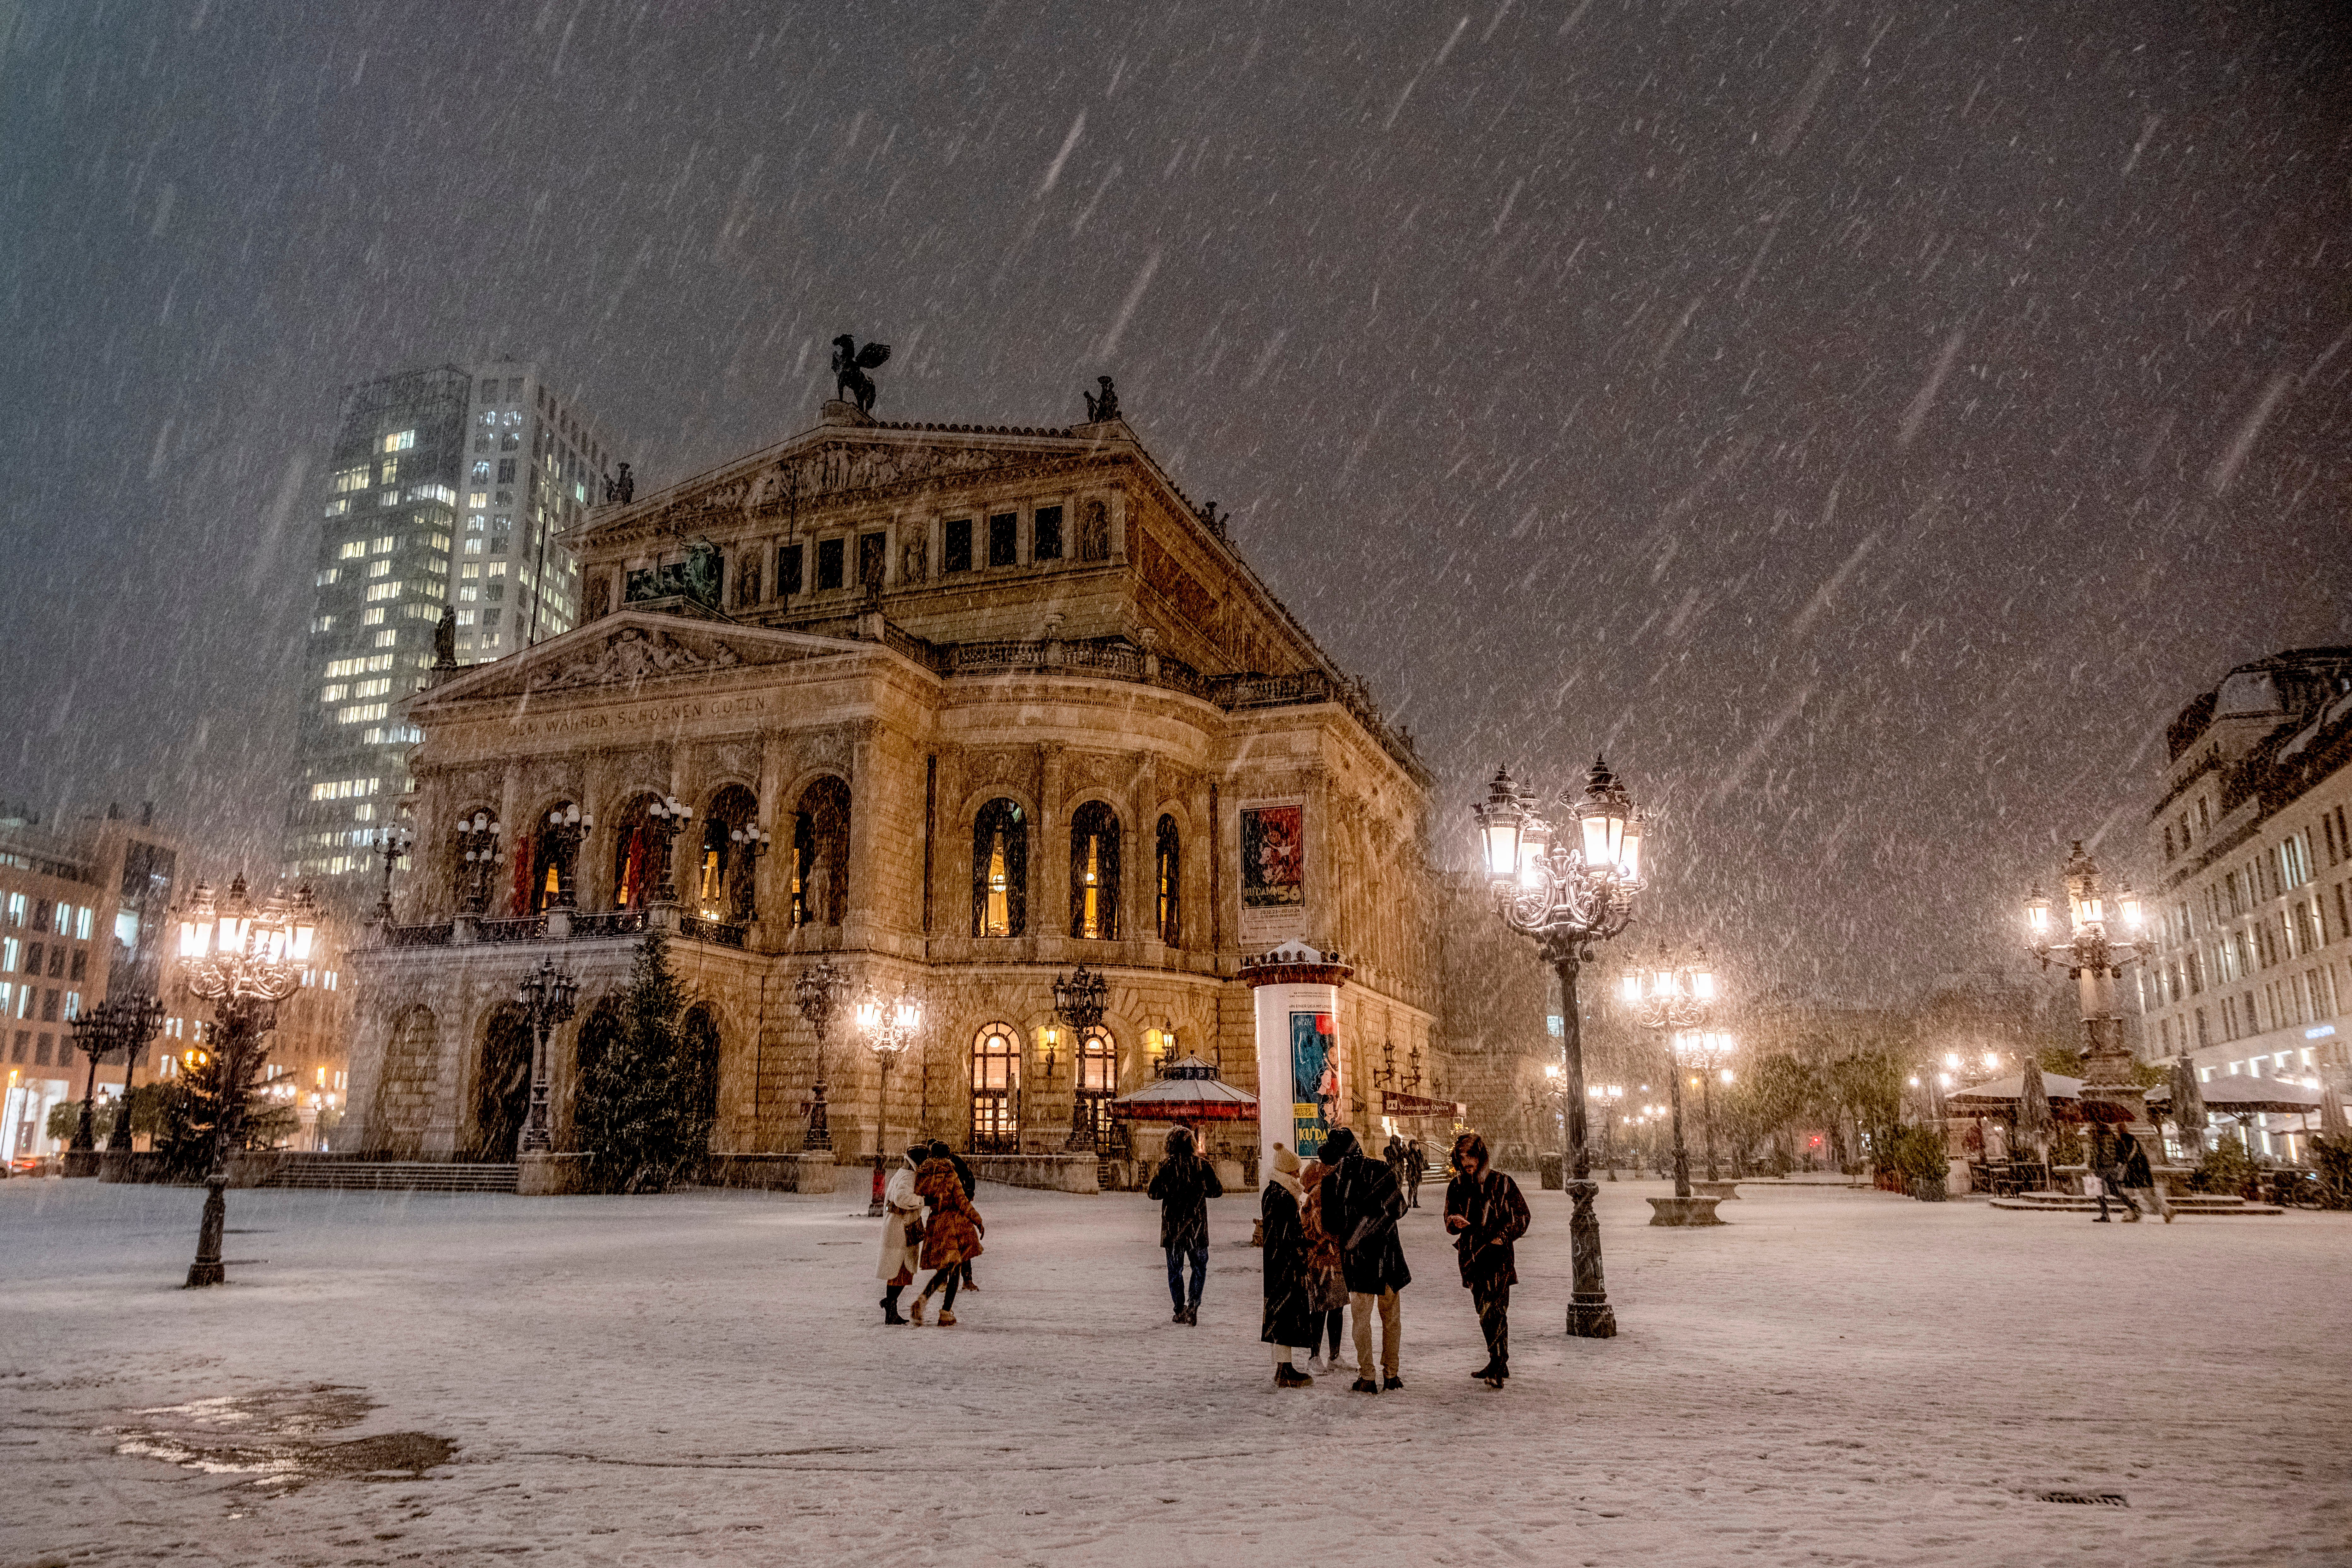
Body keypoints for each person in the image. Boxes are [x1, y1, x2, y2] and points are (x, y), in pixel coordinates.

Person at [1320, 1126, 1410, 1393]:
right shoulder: (1381, 1169)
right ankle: (1392, 1374)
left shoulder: (1332, 1180)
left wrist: (1357, 1227)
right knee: (1391, 1318)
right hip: (1388, 1256)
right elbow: (1399, 1209)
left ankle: (1367, 1376)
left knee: (1361, 1320)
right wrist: (1378, 1221)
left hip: (1358, 1258)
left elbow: (1331, 1225)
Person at [1444, 1131, 1530, 1388]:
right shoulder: (1457, 1186)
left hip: (1497, 1257)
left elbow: (1521, 1217)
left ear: (1481, 1158)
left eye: (1470, 1157)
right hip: (1472, 1257)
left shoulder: (1501, 1183)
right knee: (1483, 1311)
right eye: (1461, 1158)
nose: (1466, 1163)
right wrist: (1453, 1223)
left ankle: (1498, 1363)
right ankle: (1497, 1359)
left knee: (1497, 1310)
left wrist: (1499, 1238)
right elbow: (1449, 1217)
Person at [1148, 1126, 1222, 1324]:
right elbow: (1217, 1191)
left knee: (1175, 1271)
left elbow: (1153, 1194)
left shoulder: (1165, 1166)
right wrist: (1198, 1190)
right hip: (1196, 1226)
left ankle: (1180, 1309)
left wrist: (1172, 1190)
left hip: (1174, 1228)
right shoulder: (1202, 1165)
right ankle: (1193, 1305)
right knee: (1199, 1268)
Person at [1261, 1145, 1317, 1387]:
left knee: (1279, 1315)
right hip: (1285, 1264)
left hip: (1276, 1261)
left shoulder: (1273, 1192)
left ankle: (1283, 1367)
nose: (1298, 1176)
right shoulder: (1284, 1196)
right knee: (1285, 1315)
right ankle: (1284, 1370)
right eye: (1296, 1171)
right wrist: (1302, 1251)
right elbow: (1287, 1235)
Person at [911, 1139, 983, 1324]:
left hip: (936, 1223)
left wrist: (936, 1201)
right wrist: (978, 1220)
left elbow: (920, 1195)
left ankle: (924, 1299)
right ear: (948, 1155)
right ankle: (945, 1312)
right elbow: (962, 1201)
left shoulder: (923, 1174)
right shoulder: (951, 1174)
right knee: (954, 1268)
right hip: (953, 1224)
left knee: (945, 1267)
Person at [1299, 1151, 1349, 1371]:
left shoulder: (1324, 1191)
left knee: (1333, 1308)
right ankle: (1317, 1357)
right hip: (1323, 1261)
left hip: (1330, 1260)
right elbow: (1325, 1228)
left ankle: (1331, 1356)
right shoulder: (1321, 1193)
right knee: (1322, 1310)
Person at [876, 1143, 928, 1324]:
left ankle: (891, 1308)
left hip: (897, 1227)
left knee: (898, 1271)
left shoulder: (902, 1172)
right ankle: (890, 1305)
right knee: (901, 1270)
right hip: (901, 1229)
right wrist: (924, 1201)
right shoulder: (909, 1175)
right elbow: (902, 1199)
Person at [944, 1142, 982, 1289]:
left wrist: (967, 1195)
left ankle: (949, 1279)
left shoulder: (952, 1164)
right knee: (960, 1246)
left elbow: (969, 1178)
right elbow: (970, 1177)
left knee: (952, 1246)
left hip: (952, 1211)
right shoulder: (951, 1163)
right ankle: (964, 1280)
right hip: (954, 1211)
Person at [2114, 1128, 2171, 1223]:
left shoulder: (2125, 1143)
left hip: (2133, 1173)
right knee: (2145, 1196)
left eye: (2118, 1131)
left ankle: (2134, 1213)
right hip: (2141, 1173)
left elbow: (2123, 1158)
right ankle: (2166, 1210)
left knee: (2129, 1195)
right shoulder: (2134, 1142)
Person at [2089, 1124, 2139, 1223]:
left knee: (2100, 1192)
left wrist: (2092, 1168)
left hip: (2101, 1168)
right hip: (2112, 1168)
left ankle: (2105, 1215)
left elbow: (2095, 1154)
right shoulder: (2112, 1137)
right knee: (2115, 1191)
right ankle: (2134, 1207)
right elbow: (2118, 1152)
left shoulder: (2098, 1138)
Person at [1405, 1140, 1428, 1209]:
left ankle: (1415, 1203)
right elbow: (1412, 1162)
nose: (1416, 1146)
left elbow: (1420, 1162)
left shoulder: (1419, 1153)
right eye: (1414, 1145)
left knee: (1416, 1188)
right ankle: (1409, 1203)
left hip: (1417, 1172)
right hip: (1411, 1172)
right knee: (1411, 1188)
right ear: (1411, 1146)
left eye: (1417, 1144)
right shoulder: (1410, 1153)